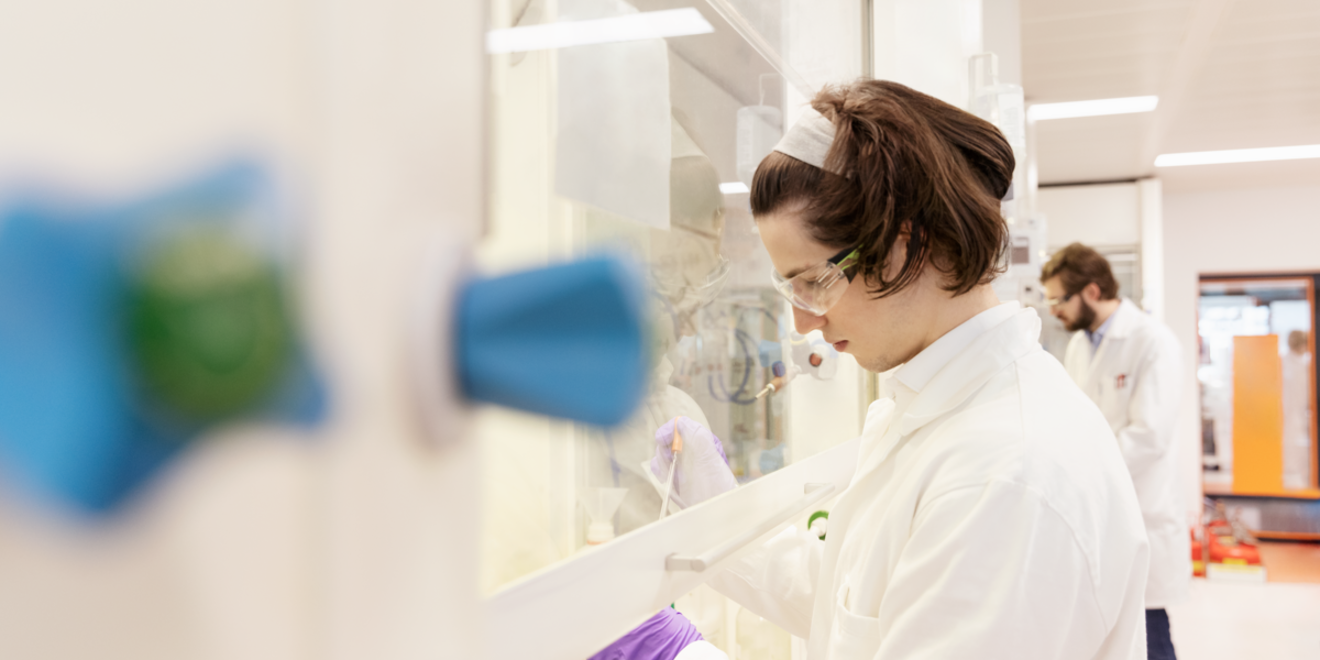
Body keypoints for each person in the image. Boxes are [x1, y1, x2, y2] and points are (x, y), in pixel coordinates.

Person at [649, 80, 1150, 659]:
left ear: (904, 245)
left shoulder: (1003, 477)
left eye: (814, 282)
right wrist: (717, 515)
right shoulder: (929, 412)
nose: (803, 322)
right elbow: (849, 605)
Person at [1041, 243, 1188, 660]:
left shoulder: (1152, 341)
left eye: (1059, 299)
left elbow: (1150, 436)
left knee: (1150, 635)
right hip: (1096, 512)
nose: (1053, 310)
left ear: (1091, 291)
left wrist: (1084, 472)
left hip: (1142, 509)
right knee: (1110, 636)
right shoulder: (1078, 346)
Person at [1281, 329, 1313, 490]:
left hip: (1297, 413)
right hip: (1292, 412)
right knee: (1291, 441)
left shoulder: (1299, 364)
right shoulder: (1292, 364)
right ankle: (1292, 470)